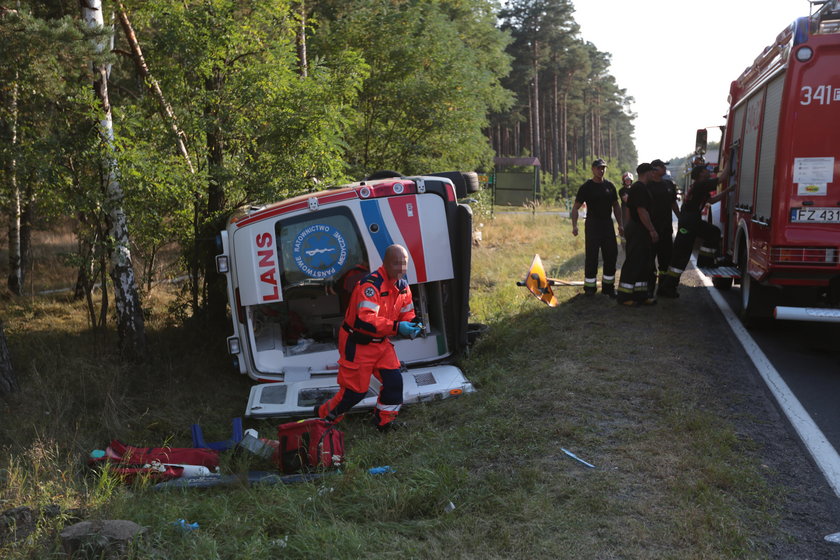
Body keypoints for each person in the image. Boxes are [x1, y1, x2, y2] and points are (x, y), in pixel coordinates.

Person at [315, 244, 422, 431]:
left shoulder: (403, 287)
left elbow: (407, 314)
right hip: (357, 343)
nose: (401, 269)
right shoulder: (370, 286)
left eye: (404, 264)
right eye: (396, 264)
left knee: (394, 383)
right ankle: (323, 419)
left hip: (381, 343)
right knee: (354, 392)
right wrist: (397, 328)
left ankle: (384, 423)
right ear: (385, 264)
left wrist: (414, 325)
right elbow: (366, 320)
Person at [657, 164, 734, 298]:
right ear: (700, 174)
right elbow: (721, 178)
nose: (709, 172)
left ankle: (703, 262)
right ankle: (667, 287)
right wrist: (732, 157)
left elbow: (711, 200)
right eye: (706, 170)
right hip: (690, 221)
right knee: (681, 254)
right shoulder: (701, 185)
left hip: (691, 220)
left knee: (712, 233)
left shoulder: (700, 186)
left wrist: (727, 191)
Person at [571, 158, 624, 297]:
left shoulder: (610, 186)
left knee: (611, 255)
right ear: (593, 169)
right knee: (592, 257)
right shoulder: (586, 187)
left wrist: (620, 224)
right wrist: (574, 226)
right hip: (593, 225)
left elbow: (616, 206)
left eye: (603, 168)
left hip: (607, 225)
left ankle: (608, 288)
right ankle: (589, 288)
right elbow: (575, 208)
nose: (601, 170)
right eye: (599, 168)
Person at [616, 163, 659, 306]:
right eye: (652, 172)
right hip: (638, 230)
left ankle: (640, 294)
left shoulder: (641, 188)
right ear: (647, 173)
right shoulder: (639, 188)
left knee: (644, 263)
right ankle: (624, 296)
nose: (654, 175)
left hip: (640, 230)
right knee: (634, 262)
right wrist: (652, 230)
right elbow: (641, 211)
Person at [647, 159, 681, 296]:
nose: (665, 169)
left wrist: (681, 218)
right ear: (654, 169)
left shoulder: (668, 185)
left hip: (666, 229)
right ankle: (648, 289)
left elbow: (673, 204)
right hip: (651, 230)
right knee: (649, 261)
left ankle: (664, 288)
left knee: (666, 261)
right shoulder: (647, 186)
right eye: (662, 167)